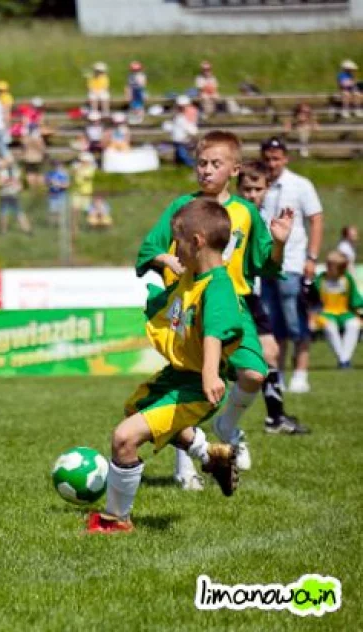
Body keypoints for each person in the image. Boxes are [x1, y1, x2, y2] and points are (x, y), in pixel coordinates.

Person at [136, 131, 294, 491]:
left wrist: (280, 245)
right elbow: (149, 249)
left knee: (255, 374)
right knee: (191, 382)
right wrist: (164, 259)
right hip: (190, 305)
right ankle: (186, 466)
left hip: (233, 306)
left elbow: (264, 265)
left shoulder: (246, 212)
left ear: (235, 169)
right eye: (201, 163)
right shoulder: (182, 206)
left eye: (215, 164)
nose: (206, 170)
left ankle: (225, 427)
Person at [87, 199, 240, 534]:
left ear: (197, 242)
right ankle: (211, 454)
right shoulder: (194, 276)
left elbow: (216, 330)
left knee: (124, 438)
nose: (174, 251)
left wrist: (210, 373)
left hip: (195, 384)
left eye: (177, 243)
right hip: (176, 376)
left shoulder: (218, 286)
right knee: (135, 409)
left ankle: (115, 521)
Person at [235, 161, 304, 434]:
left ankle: (275, 418)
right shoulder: (234, 215)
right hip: (232, 295)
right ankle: (217, 425)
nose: (252, 194)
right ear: (237, 187)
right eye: (247, 188)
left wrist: (279, 243)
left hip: (252, 295)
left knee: (271, 353)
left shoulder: (262, 217)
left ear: (267, 190)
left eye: (258, 189)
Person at [259, 137, 323, 395]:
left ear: (285, 158)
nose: (271, 163)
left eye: (276, 158)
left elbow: (316, 219)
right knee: (273, 323)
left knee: (295, 320)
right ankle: (279, 373)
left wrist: (312, 257)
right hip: (265, 266)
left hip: (293, 263)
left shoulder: (300, 185)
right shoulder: (257, 185)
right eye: (268, 158)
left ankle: (301, 372)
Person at [313, 251, 361, 369]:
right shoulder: (321, 280)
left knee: (354, 324)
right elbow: (312, 300)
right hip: (325, 312)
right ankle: (344, 361)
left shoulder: (347, 279)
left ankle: (343, 359)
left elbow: (355, 299)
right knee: (330, 326)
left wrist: (359, 310)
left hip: (344, 312)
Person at [0, 157, 30, 235]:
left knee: (18, 213)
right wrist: (9, 183)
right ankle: (3, 232)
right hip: (5, 194)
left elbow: (20, 185)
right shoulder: (3, 172)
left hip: (12, 194)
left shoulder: (14, 172)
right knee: (5, 213)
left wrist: (16, 186)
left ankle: (27, 230)